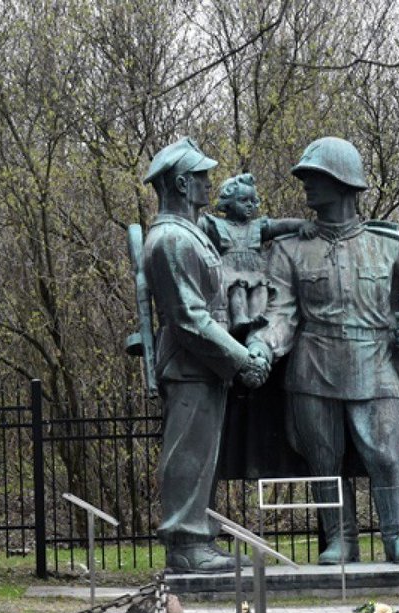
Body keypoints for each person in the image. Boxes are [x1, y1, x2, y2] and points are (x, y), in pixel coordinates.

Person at [249, 137, 399, 565]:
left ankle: (398, 536)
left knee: (387, 452)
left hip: (377, 361)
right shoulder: (289, 249)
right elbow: (281, 315)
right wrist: (261, 344)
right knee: (323, 457)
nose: (307, 185)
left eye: (316, 177)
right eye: (306, 177)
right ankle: (339, 539)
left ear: (344, 183)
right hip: (314, 368)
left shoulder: (390, 246)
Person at [142, 137, 271, 573]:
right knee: (188, 454)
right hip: (190, 365)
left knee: (200, 456)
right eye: (200, 176)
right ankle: (185, 544)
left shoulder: (187, 234)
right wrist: (239, 358)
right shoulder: (171, 240)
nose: (208, 183)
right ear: (181, 183)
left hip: (203, 366)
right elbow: (190, 319)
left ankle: (196, 538)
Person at [199, 173, 305, 338]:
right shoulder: (217, 225)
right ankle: (239, 318)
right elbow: (191, 227)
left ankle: (257, 317)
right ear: (227, 203)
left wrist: (302, 225)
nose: (249, 205)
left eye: (252, 201)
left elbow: (281, 226)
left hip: (255, 270)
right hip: (230, 270)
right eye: (243, 201)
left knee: (261, 287)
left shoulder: (257, 227)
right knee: (238, 287)